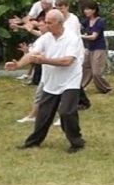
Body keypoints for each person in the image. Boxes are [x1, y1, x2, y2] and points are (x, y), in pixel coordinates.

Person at [6, 9, 86, 153]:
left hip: (70, 81)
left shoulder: (72, 38)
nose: (46, 25)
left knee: (66, 112)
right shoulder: (45, 38)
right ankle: (33, 142)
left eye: (50, 22)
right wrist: (17, 65)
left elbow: (67, 61)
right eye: (46, 22)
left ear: (60, 23)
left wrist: (45, 60)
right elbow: (32, 54)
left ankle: (76, 142)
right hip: (51, 82)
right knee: (44, 114)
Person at [81, 0, 112, 94]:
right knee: (85, 68)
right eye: (85, 9)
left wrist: (80, 36)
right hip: (90, 48)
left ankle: (106, 88)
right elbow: (77, 27)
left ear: (94, 10)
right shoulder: (86, 21)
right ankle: (80, 87)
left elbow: (93, 36)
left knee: (96, 72)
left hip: (99, 48)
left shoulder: (100, 21)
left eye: (88, 9)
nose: (85, 11)